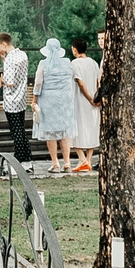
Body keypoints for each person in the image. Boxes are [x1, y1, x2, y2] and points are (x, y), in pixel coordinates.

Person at [34, 38, 78, 175]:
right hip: (65, 100)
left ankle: (55, 163)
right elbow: (73, 78)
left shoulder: (43, 63)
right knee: (65, 132)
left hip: (48, 99)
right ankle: (67, 162)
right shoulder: (67, 63)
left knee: (50, 132)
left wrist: (34, 100)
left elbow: (38, 83)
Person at [0, 31, 31, 162]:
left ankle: (19, 158)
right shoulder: (22, 54)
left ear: (4, 44)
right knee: (22, 131)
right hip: (21, 98)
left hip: (11, 101)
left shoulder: (10, 59)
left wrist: (1, 78)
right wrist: (4, 59)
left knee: (16, 132)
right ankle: (27, 158)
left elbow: (10, 81)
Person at [70, 33, 102, 173]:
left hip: (81, 101)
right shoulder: (93, 63)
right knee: (91, 128)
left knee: (77, 130)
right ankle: (88, 159)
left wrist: (89, 98)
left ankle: (82, 159)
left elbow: (80, 84)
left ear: (75, 50)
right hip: (95, 101)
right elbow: (98, 81)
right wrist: (97, 97)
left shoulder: (74, 64)